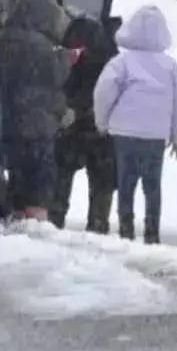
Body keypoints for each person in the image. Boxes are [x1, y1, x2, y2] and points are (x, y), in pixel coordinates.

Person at [93, 5, 177, 244]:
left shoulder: (121, 62)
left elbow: (104, 92)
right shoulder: (171, 67)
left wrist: (102, 121)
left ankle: (126, 229)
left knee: (125, 183)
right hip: (155, 135)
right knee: (152, 185)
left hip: (123, 132)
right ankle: (151, 231)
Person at [0, 0, 72, 222]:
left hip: (8, 120)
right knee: (40, 177)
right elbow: (53, 81)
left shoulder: (0, 41)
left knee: (17, 174)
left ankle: (15, 216)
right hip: (39, 122)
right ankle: (36, 221)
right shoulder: (42, 46)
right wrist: (65, 60)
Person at [50, 16, 119, 233]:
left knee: (64, 177)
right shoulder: (113, 62)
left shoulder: (76, 60)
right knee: (102, 184)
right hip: (101, 131)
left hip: (80, 128)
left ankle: (55, 221)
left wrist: (70, 108)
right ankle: (97, 226)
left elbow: (66, 88)